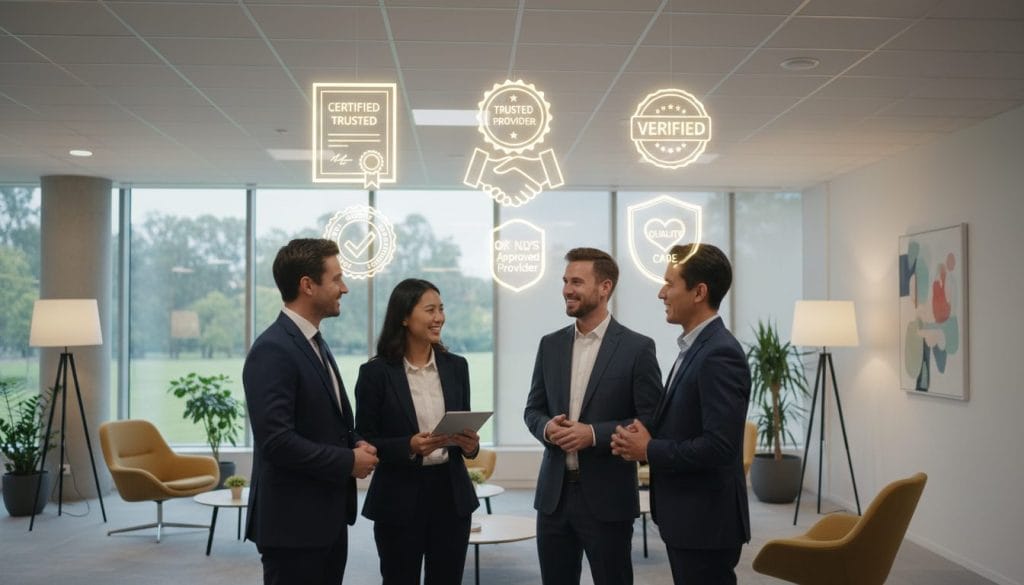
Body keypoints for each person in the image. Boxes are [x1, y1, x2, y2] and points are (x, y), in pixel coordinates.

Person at [611, 243, 752, 585]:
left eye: (670, 283)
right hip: (688, 518)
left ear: (699, 292)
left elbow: (720, 446)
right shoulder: (694, 347)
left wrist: (649, 450)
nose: (662, 292)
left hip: (705, 522)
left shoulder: (720, 355)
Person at [523, 247, 663, 585]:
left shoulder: (637, 348)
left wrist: (594, 434)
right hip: (553, 499)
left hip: (608, 498)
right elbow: (533, 409)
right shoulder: (549, 345)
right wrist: (546, 429)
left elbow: (651, 420)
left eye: (576, 282)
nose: (567, 289)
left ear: (604, 288)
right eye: (565, 281)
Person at [243, 238, 379, 585]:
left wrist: (356, 441)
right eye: (336, 279)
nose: (344, 288)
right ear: (307, 285)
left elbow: (326, 420)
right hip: (293, 528)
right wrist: (348, 462)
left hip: (325, 520)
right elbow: (277, 442)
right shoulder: (272, 350)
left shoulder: (313, 341)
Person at [355, 278, 480, 585]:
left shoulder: (456, 367)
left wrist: (469, 445)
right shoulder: (375, 374)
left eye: (441, 309)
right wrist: (409, 445)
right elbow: (364, 440)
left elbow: (464, 429)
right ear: (404, 317)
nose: (439, 317)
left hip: (451, 496)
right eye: (430, 310)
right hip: (398, 497)